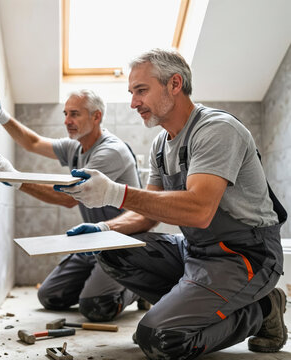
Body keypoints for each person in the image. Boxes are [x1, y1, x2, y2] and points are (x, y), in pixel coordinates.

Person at [56, 48, 288, 358]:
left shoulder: (216, 129)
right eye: (131, 92)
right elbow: (146, 215)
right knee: (111, 252)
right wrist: (102, 228)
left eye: (141, 90)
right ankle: (187, 304)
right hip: (196, 251)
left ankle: (262, 309)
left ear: (174, 84)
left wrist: (113, 193)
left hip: (244, 256)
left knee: (159, 339)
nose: (133, 102)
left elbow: (200, 210)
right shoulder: (160, 144)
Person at [0, 82, 149, 322]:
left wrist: (17, 180)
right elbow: (34, 143)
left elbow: (68, 198)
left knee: (96, 307)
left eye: (74, 114)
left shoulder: (110, 152)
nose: (67, 120)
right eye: (65, 113)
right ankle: (99, 278)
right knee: (50, 296)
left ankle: (138, 287)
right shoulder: (76, 147)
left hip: (120, 243)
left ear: (96, 117)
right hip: (94, 242)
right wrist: (4, 117)